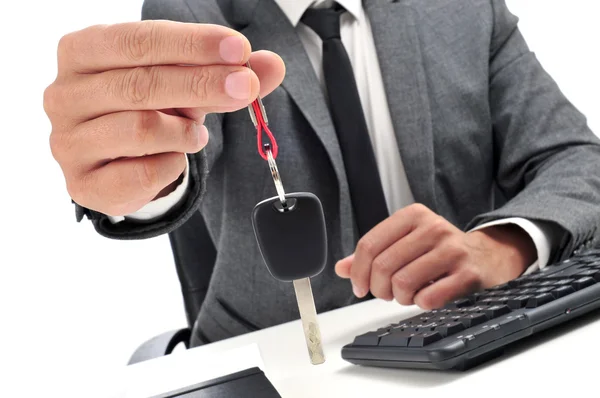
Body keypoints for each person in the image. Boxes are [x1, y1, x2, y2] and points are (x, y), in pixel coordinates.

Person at [44, 0, 600, 346]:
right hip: (278, 353)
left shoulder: (462, 10)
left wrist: (499, 245)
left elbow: (578, 160)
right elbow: (173, 160)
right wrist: (133, 179)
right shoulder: (194, 13)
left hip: (466, 333)